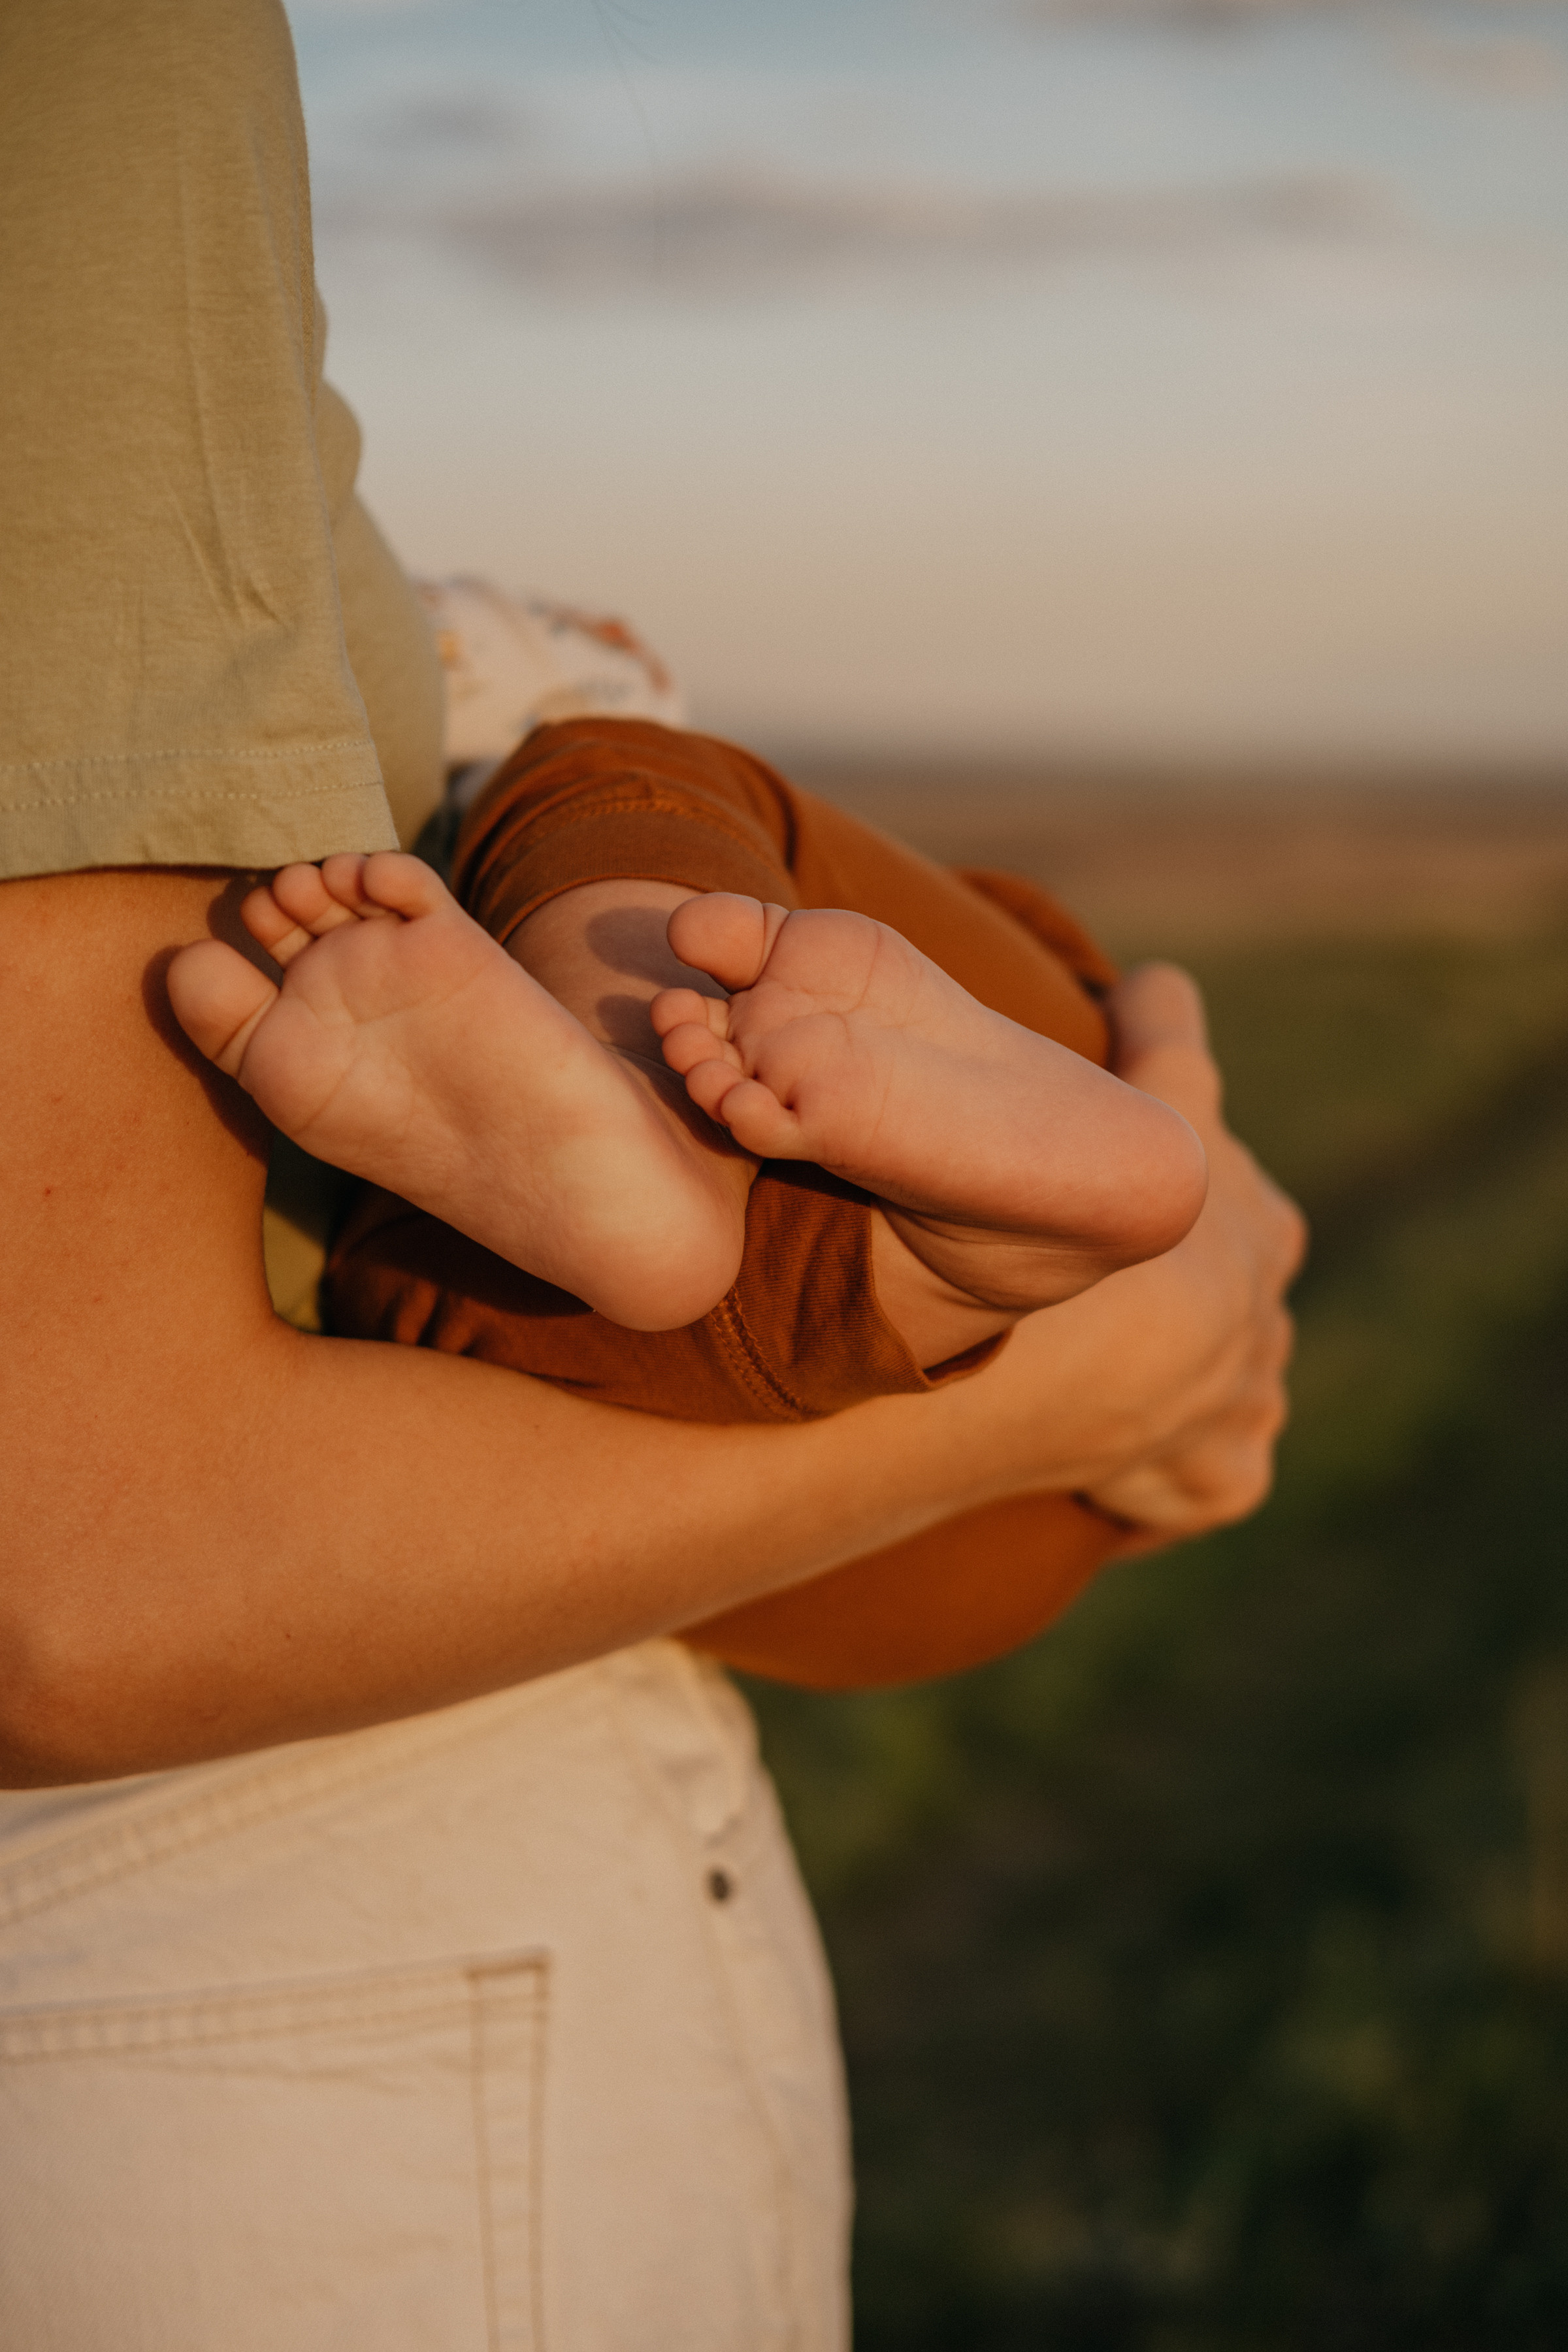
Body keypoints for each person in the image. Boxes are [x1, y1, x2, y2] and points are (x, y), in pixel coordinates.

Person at [0, 1, 1305, 2345]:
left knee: (551, 1234)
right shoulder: (82, 85)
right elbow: (76, 1572)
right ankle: (823, 1185)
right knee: (631, 797)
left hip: (623, 1425)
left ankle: (876, 1253)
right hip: (879, 1553)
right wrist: (1120, 1367)